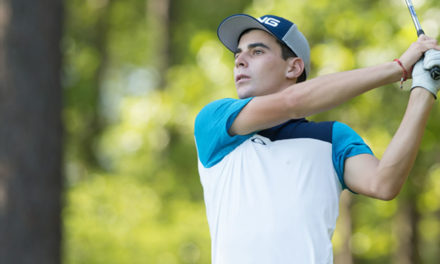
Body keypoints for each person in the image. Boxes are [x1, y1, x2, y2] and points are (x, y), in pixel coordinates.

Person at [193, 14, 440, 263]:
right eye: (237, 55)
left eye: (256, 52)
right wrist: (397, 68)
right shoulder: (216, 122)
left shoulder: (333, 138)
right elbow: (293, 102)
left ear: (294, 67)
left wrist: (424, 87)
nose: (240, 62)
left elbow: (383, 183)